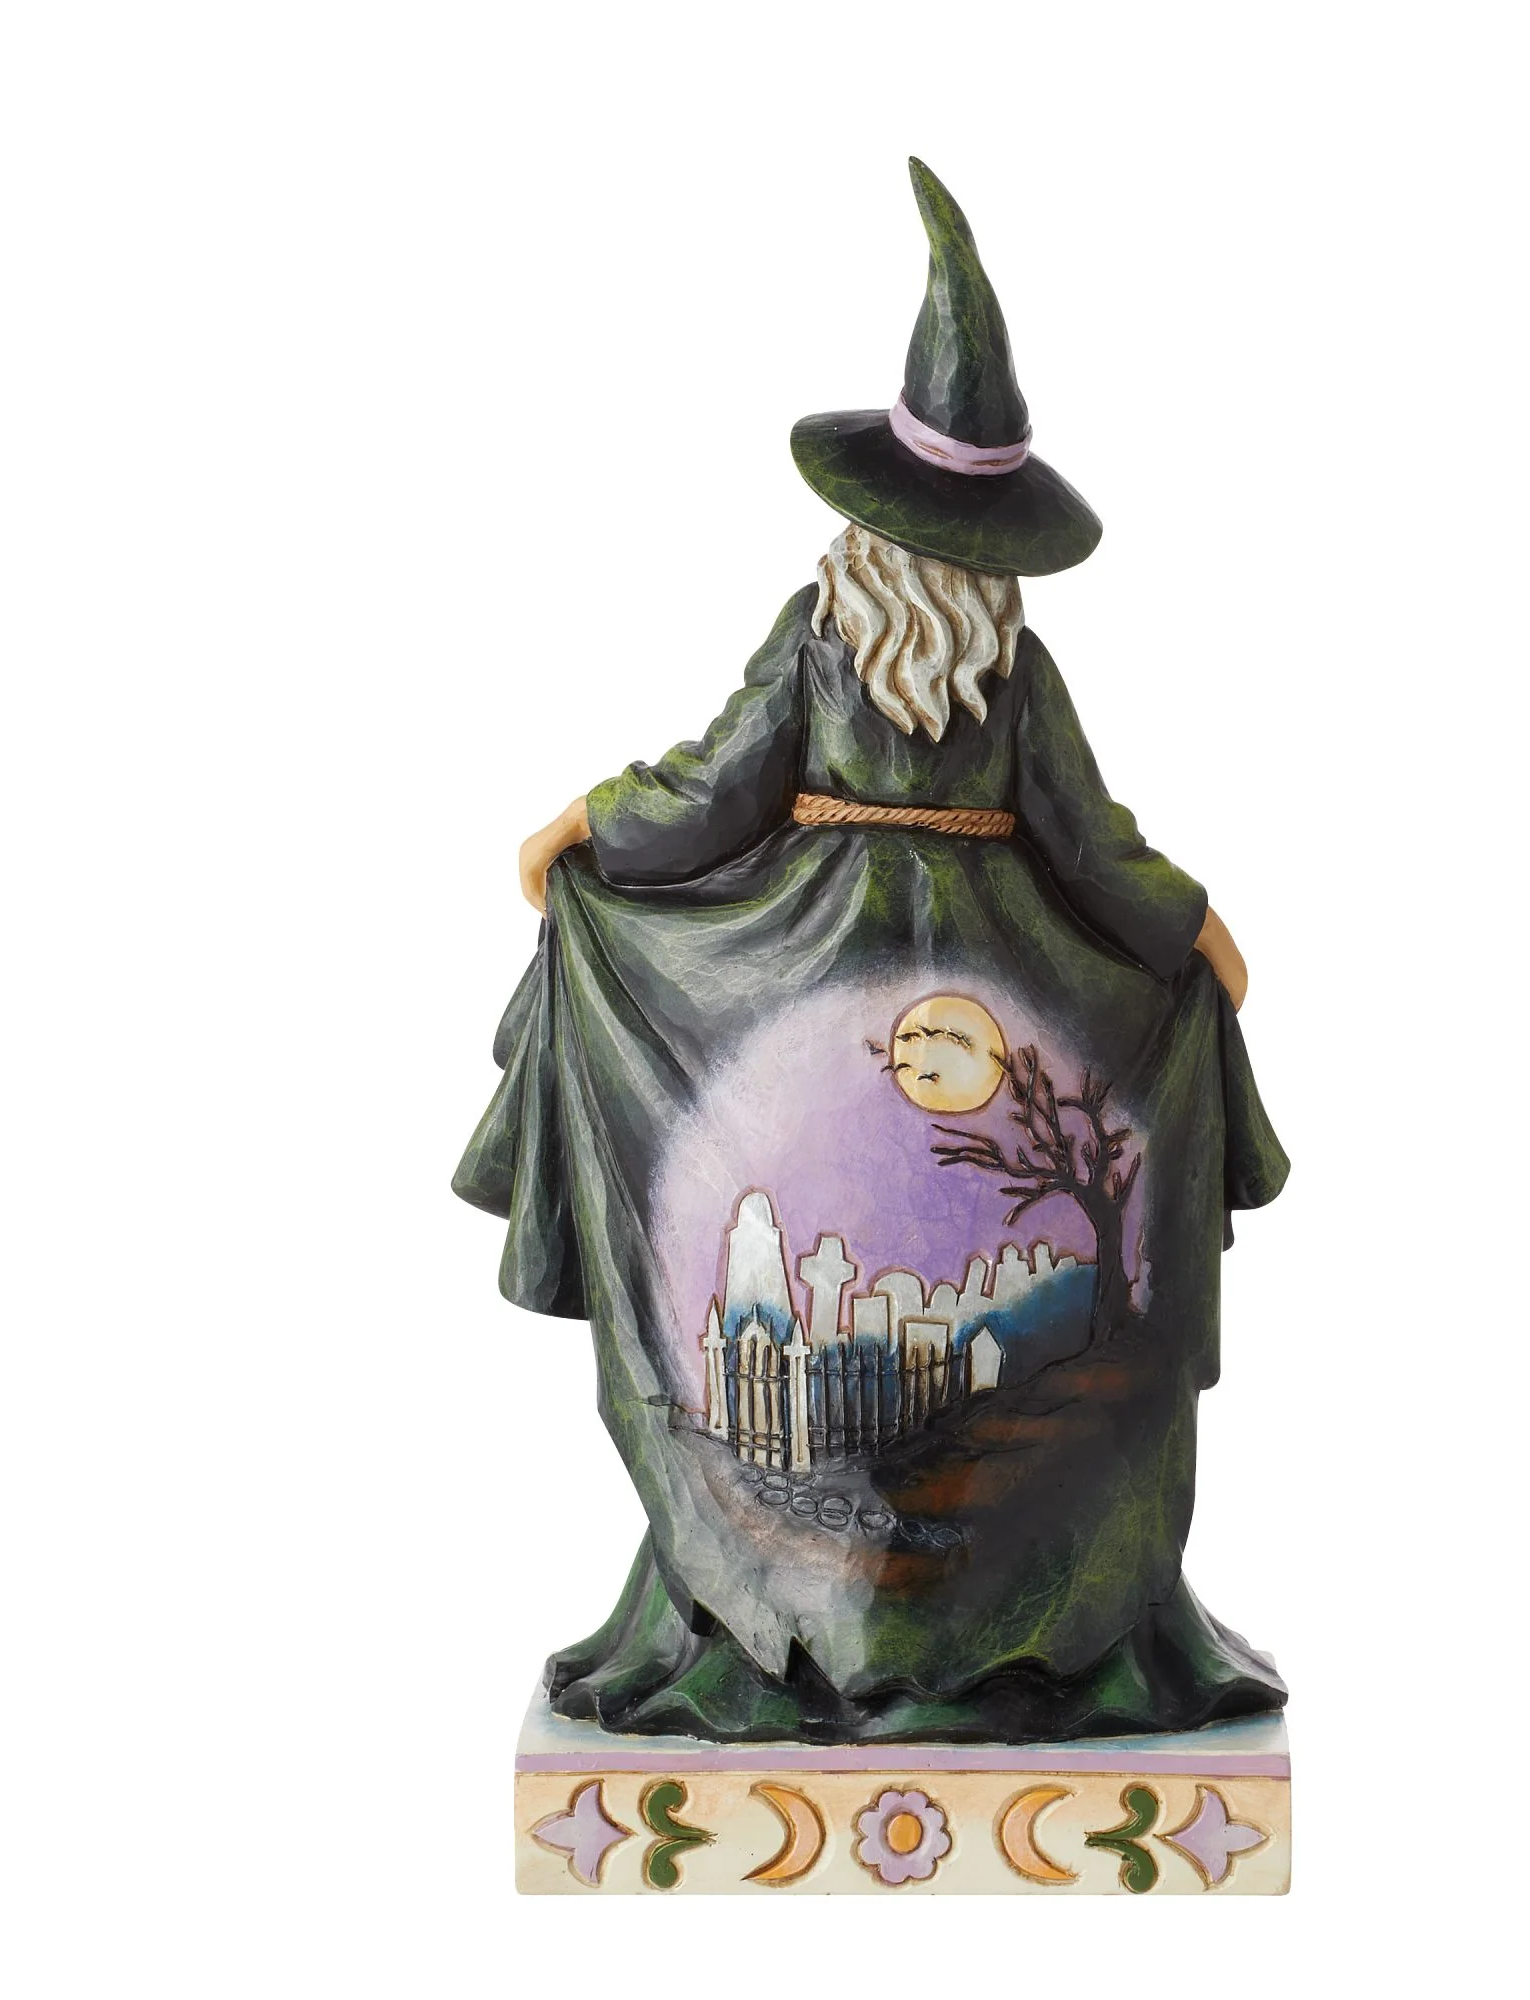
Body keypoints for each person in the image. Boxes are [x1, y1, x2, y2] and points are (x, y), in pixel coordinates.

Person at [457, 161, 1289, 1742]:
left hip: (816, 974)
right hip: (1001, 984)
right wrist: (1190, 930)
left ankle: (877, 1600)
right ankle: (943, 1603)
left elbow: (715, 792)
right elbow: (1090, 848)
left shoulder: (832, 635)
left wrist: (589, 823)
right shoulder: (1007, 669)